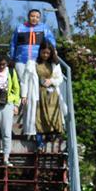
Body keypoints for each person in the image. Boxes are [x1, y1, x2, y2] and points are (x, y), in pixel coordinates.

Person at [10, 9, 56, 138]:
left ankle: (31, 123)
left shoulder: (44, 28)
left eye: (37, 16)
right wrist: (12, 58)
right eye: (32, 16)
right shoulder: (19, 28)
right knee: (21, 85)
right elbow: (13, 44)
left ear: (39, 18)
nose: (34, 18)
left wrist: (50, 57)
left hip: (36, 62)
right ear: (28, 16)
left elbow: (51, 43)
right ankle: (17, 107)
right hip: (21, 61)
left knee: (32, 91)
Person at [34, 38, 65, 149]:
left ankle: (50, 136)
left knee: (52, 115)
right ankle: (39, 142)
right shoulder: (34, 63)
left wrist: (51, 81)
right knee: (39, 116)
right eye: (44, 52)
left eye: (48, 53)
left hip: (52, 94)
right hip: (39, 93)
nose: (46, 55)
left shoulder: (55, 64)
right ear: (40, 52)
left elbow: (60, 78)